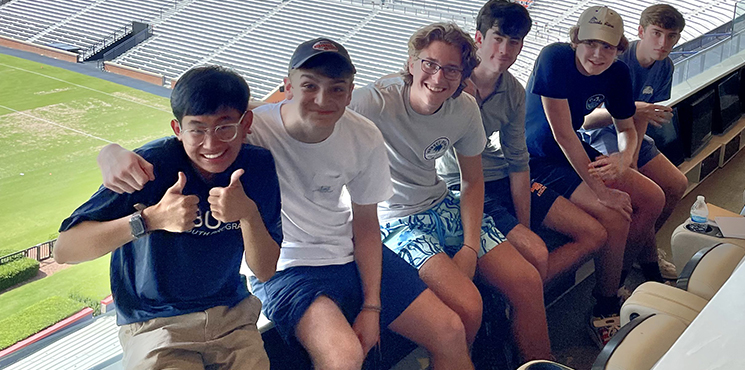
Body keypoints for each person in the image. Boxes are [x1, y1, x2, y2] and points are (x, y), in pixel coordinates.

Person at [94, 40, 474, 370]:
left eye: (336, 88)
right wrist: (110, 152)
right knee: (343, 357)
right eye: (309, 85)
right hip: (287, 266)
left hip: (349, 252)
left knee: (451, 331)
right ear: (287, 85)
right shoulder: (253, 127)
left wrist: (372, 306)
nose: (323, 100)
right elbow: (198, 137)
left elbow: (366, 226)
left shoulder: (364, 136)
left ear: (350, 90)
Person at [55, 65, 281, 370]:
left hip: (231, 318)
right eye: (197, 129)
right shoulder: (151, 167)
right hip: (155, 324)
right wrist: (149, 220)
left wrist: (248, 214)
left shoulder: (258, 166)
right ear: (178, 130)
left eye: (224, 127)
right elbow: (66, 249)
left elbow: (265, 270)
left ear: (246, 123)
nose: (211, 144)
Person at [350, 22, 551, 361]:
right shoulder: (374, 102)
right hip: (396, 219)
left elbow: (472, 180)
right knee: (467, 305)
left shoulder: (464, 109)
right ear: (412, 63)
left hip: (443, 203)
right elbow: (317, 119)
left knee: (528, 281)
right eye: (430, 64)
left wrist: (471, 248)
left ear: (463, 74)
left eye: (452, 69)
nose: (438, 78)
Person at [437, 0, 607, 289]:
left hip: (500, 175)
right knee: (536, 251)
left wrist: (525, 225)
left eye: (513, 42)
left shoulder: (513, 91)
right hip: (460, 184)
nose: (504, 50)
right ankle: (520, 298)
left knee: (595, 234)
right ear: (479, 38)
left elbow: (518, 161)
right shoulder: (448, 81)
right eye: (497, 39)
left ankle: (517, 297)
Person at [524, 5, 668, 346]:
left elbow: (627, 129)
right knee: (615, 216)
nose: (597, 54)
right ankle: (604, 307)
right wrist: (602, 191)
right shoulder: (554, 58)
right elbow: (561, 134)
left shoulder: (617, 73)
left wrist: (624, 158)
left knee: (654, 198)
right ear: (576, 40)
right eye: (590, 43)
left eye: (607, 46)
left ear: (619, 48)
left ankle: (613, 280)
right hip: (539, 158)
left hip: (571, 152)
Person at [582, 4, 689, 237]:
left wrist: (634, 156)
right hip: (598, 135)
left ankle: (641, 245)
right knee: (644, 196)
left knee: (677, 185)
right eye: (656, 33)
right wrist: (633, 109)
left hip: (630, 133)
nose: (663, 43)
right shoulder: (617, 59)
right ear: (641, 32)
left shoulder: (665, 67)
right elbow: (586, 121)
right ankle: (644, 256)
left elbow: (643, 118)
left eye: (671, 36)